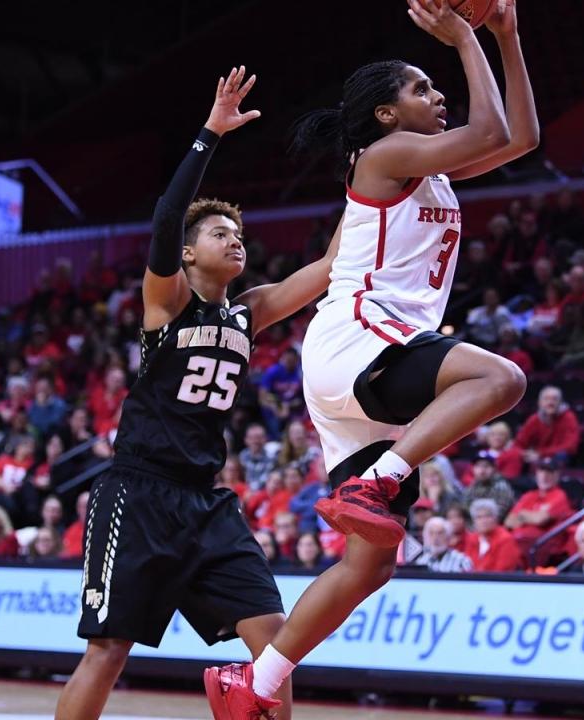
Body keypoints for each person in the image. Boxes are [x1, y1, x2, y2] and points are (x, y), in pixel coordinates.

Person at [209, 1, 538, 713]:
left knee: (370, 565)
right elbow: (490, 129)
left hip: (356, 363)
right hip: (361, 341)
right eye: (422, 88)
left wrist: (506, 37)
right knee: (501, 377)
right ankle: (377, 481)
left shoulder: (427, 169)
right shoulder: (386, 156)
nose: (437, 95)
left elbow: (519, 137)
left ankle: (255, 684)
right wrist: (464, 37)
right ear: (386, 115)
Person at [56, 67, 345, 720]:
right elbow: (166, 218)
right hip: (139, 490)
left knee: (273, 641)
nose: (234, 240)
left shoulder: (249, 311)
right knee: (109, 649)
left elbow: (330, 268)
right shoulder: (166, 304)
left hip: (207, 502)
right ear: (187, 255)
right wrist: (210, 132)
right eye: (219, 234)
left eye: (238, 235)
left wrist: (369, 178)